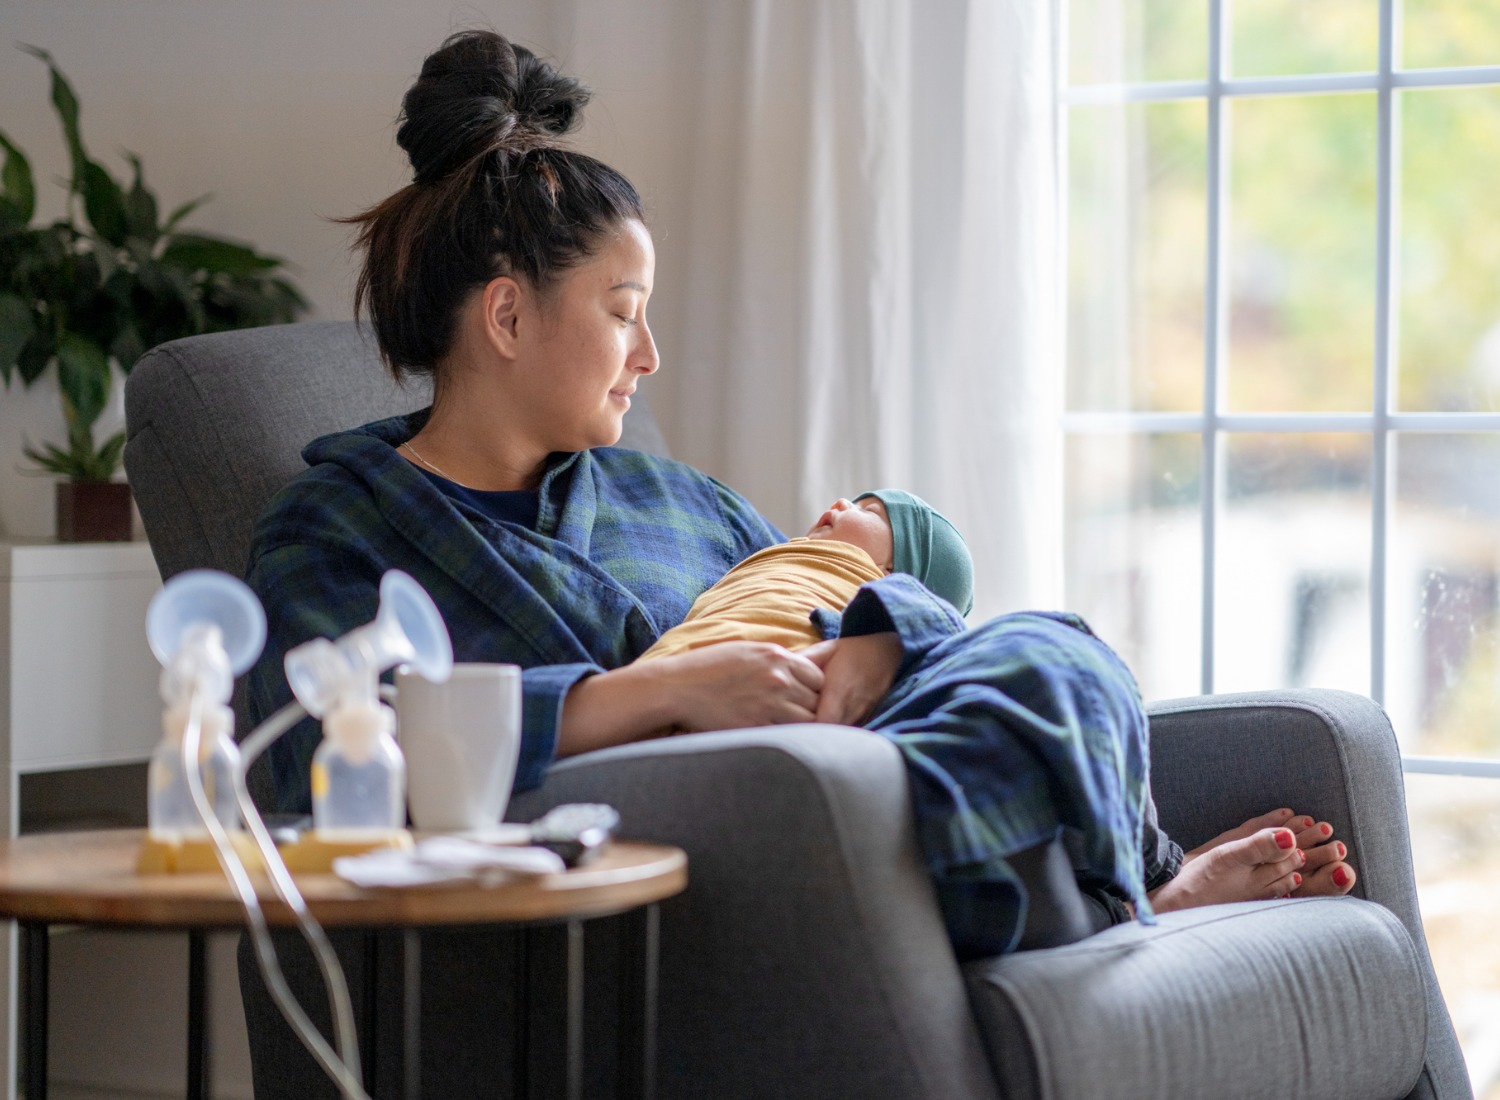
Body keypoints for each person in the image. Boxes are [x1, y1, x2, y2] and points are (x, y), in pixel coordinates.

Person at [246, 30, 1356, 967]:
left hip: (856, 768)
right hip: (695, 861)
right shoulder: (336, 528)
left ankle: (1129, 897)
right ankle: (1131, 916)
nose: (651, 354)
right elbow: (316, 765)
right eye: (625, 310)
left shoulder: (684, 502)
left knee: (1044, 645)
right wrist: (658, 691)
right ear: (506, 318)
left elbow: (816, 597)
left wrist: (880, 632)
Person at [636, 489, 973, 662]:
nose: (842, 502)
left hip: (782, 655)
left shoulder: (871, 589)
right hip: (685, 654)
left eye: (868, 511)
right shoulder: (786, 555)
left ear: (893, 573)